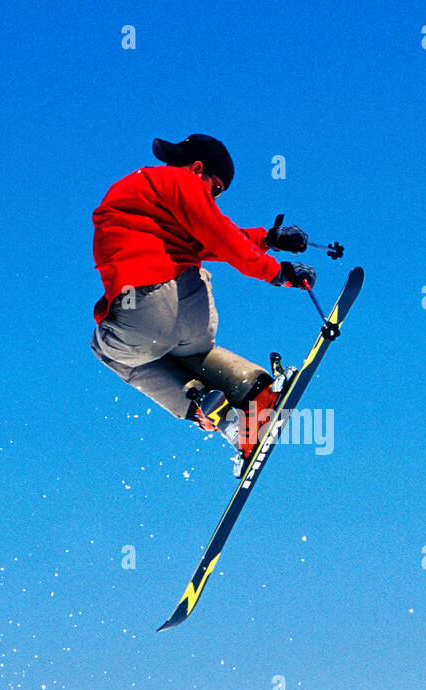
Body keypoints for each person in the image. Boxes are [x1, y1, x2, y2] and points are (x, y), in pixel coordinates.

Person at [90, 134, 316, 466]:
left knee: (111, 351)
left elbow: (211, 233)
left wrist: (268, 241)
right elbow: (216, 232)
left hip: (145, 308)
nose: (215, 197)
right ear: (198, 168)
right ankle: (258, 395)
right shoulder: (179, 179)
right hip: (189, 304)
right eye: (217, 189)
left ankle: (224, 419)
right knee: (190, 352)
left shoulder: (149, 190)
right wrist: (275, 270)